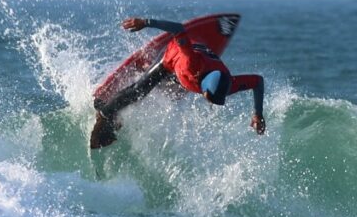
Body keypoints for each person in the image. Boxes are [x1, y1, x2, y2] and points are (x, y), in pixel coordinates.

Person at [90, 16, 266, 149]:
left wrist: (258, 114)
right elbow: (178, 29)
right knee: (140, 89)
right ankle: (104, 114)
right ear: (204, 90)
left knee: (167, 91)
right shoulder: (190, 61)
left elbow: (258, 81)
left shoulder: (229, 85)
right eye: (210, 98)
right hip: (172, 60)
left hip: (189, 74)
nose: (212, 102)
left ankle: (120, 117)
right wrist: (145, 22)